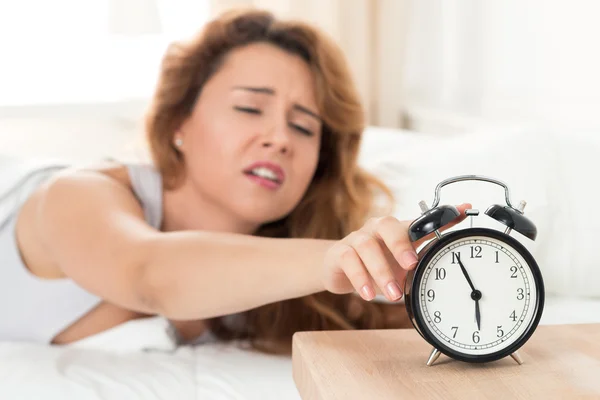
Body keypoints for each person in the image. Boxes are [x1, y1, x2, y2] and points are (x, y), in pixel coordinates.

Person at [0, 8, 470, 353]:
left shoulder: (284, 272)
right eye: (249, 107)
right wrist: (338, 255)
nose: (280, 138)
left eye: (305, 127)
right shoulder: (76, 196)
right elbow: (150, 274)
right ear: (178, 122)